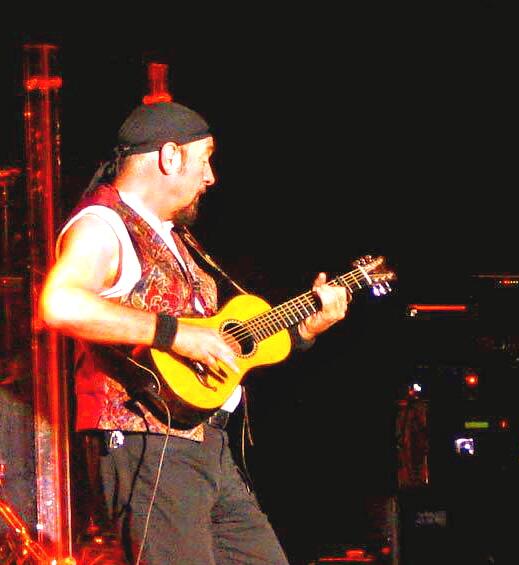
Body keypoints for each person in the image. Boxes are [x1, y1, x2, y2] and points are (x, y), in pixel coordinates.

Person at [40, 101, 351, 565]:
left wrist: (305, 330)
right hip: (150, 444)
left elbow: (222, 342)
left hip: (206, 445)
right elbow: (60, 303)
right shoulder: (102, 225)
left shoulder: (172, 236)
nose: (210, 177)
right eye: (205, 159)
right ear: (170, 157)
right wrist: (176, 334)